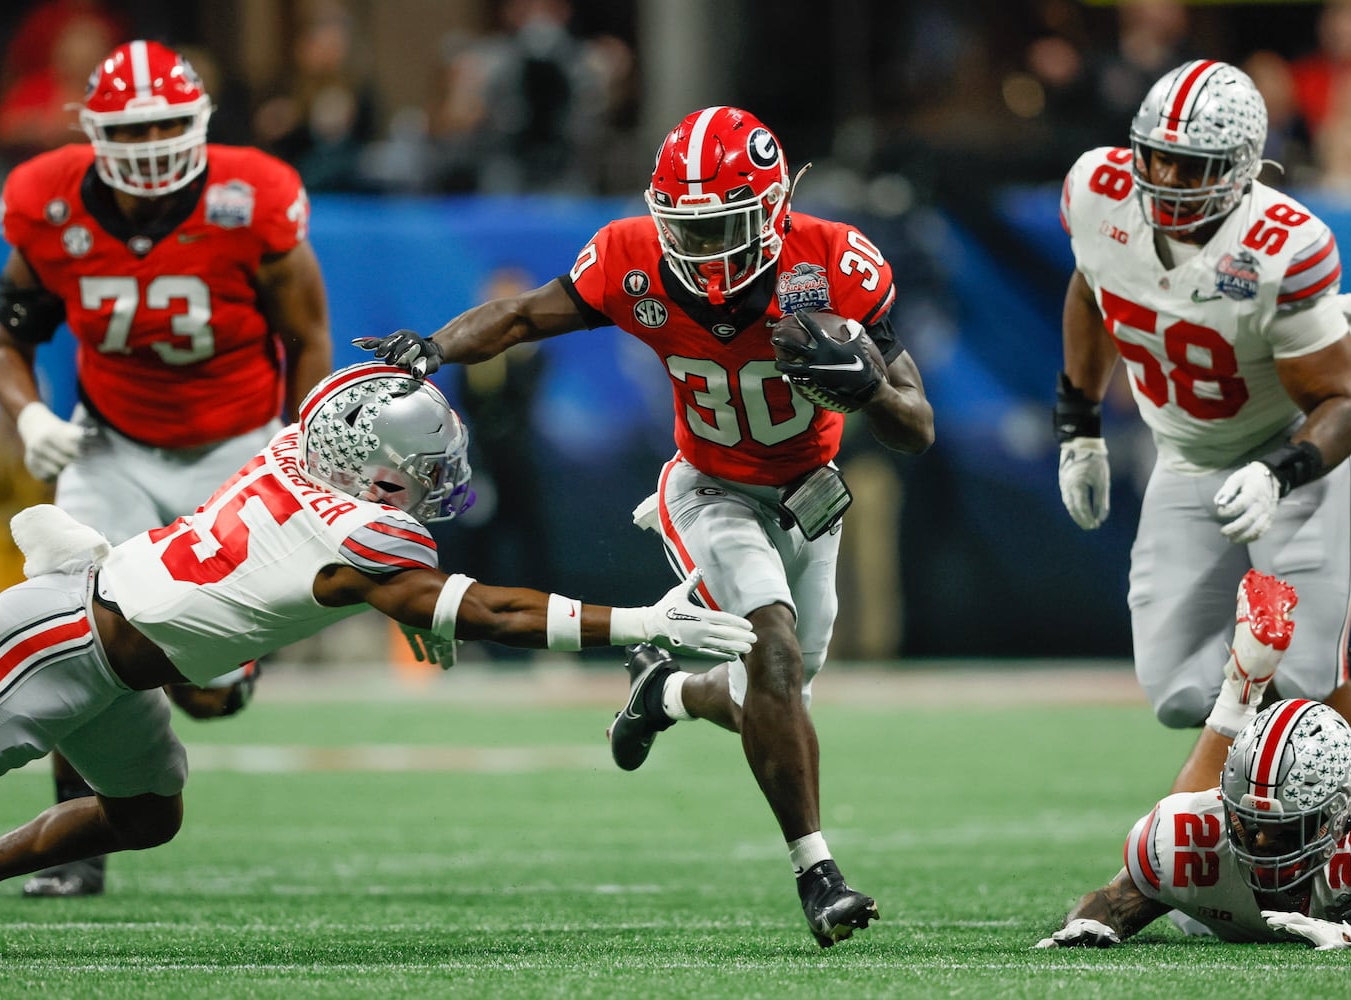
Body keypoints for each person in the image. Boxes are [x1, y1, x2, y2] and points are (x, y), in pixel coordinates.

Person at [357, 105, 937, 947]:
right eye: (686, 230)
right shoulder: (632, 258)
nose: (700, 252)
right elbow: (520, 316)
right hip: (708, 487)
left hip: (810, 492)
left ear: (772, 212)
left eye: (723, 229)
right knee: (771, 653)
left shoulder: (834, 261)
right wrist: (435, 350)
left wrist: (868, 388)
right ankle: (818, 875)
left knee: (777, 698)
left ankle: (664, 690)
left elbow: (915, 428)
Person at [0, 362, 755, 958]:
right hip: (62, 641)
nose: (435, 483)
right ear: (368, 468)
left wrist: (418, 601)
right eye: (419, 472)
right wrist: (644, 620)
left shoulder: (298, 447)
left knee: (146, 811)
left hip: (119, 658)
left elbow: (403, 560)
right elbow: (491, 611)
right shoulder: (361, 533)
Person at [0, 39, 334, 897]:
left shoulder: (254, 196)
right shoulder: (46, 201)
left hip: (239, 448)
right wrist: (29, 414)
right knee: (72, 634)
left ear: (203, 122)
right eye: (135, 128)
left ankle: (225, 672)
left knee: (205, 690)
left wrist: (305, 445)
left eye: (172, 122)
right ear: (93, 132)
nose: (153, 143)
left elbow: (309, 334)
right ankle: (75, 849)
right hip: (113, 443)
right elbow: (8, 339)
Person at [1054, 58, 1351, 794]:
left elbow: (1346, 406)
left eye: (1194, 168)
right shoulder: (1097, 191)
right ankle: (1261, 822)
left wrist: (1281, 471)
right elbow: (1092, 288)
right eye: (1158, 159)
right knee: (1179, 690)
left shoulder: (1283, 245)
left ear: (1243, 167)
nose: (1170, 181)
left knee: (1306, 678)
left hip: (1289, 454)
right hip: (1185, 456)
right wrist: (1078, 422)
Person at [1037, 573, 1351, 949]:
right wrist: (1085, 925)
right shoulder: (1189, 836)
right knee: (1183, 833)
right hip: (1232, 881)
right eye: (1249, 821)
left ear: (1339, 819)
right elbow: (1115, 900)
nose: (1259, 841)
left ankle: (1252, 683)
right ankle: (1245, 684)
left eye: (1285, 829)